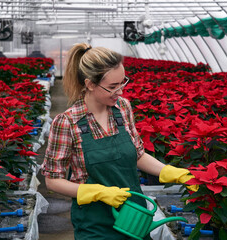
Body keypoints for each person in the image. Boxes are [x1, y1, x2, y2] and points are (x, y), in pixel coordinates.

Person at [41, 43, 195, 240]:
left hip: (135, 216)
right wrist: (96, 192)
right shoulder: (67, 122)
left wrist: (168, 171)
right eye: (113, 87)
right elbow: (52, 180)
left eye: (123, 83)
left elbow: (138, 154)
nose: (120, 91)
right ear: (90, 84)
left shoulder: (122, 108)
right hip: (95, 224)